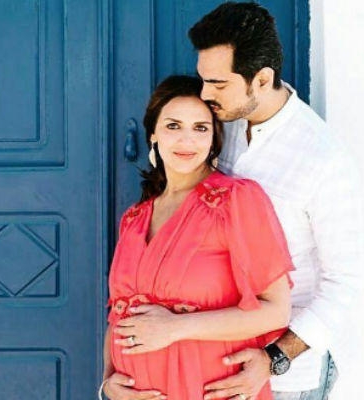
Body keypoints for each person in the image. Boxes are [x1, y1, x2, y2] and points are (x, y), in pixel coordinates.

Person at [186, 3, 362, 400]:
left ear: (262, 80)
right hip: (217, 358)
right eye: (203, 80)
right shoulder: (221, 126)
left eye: (218, 84)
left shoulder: (324, 159)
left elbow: (343, 284)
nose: (204, 94)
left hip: (287, 374)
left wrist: (274, 358)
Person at [99, 75, 295, 400]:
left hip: (208, 388)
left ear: (214, 137)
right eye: (173, 126)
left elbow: (276, 311)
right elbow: (120, 315)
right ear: (153, 134)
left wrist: (176, 328)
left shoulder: (236, 200)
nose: (186, 140)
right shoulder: (134, 218)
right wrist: (108, 383)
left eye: (200, 128)